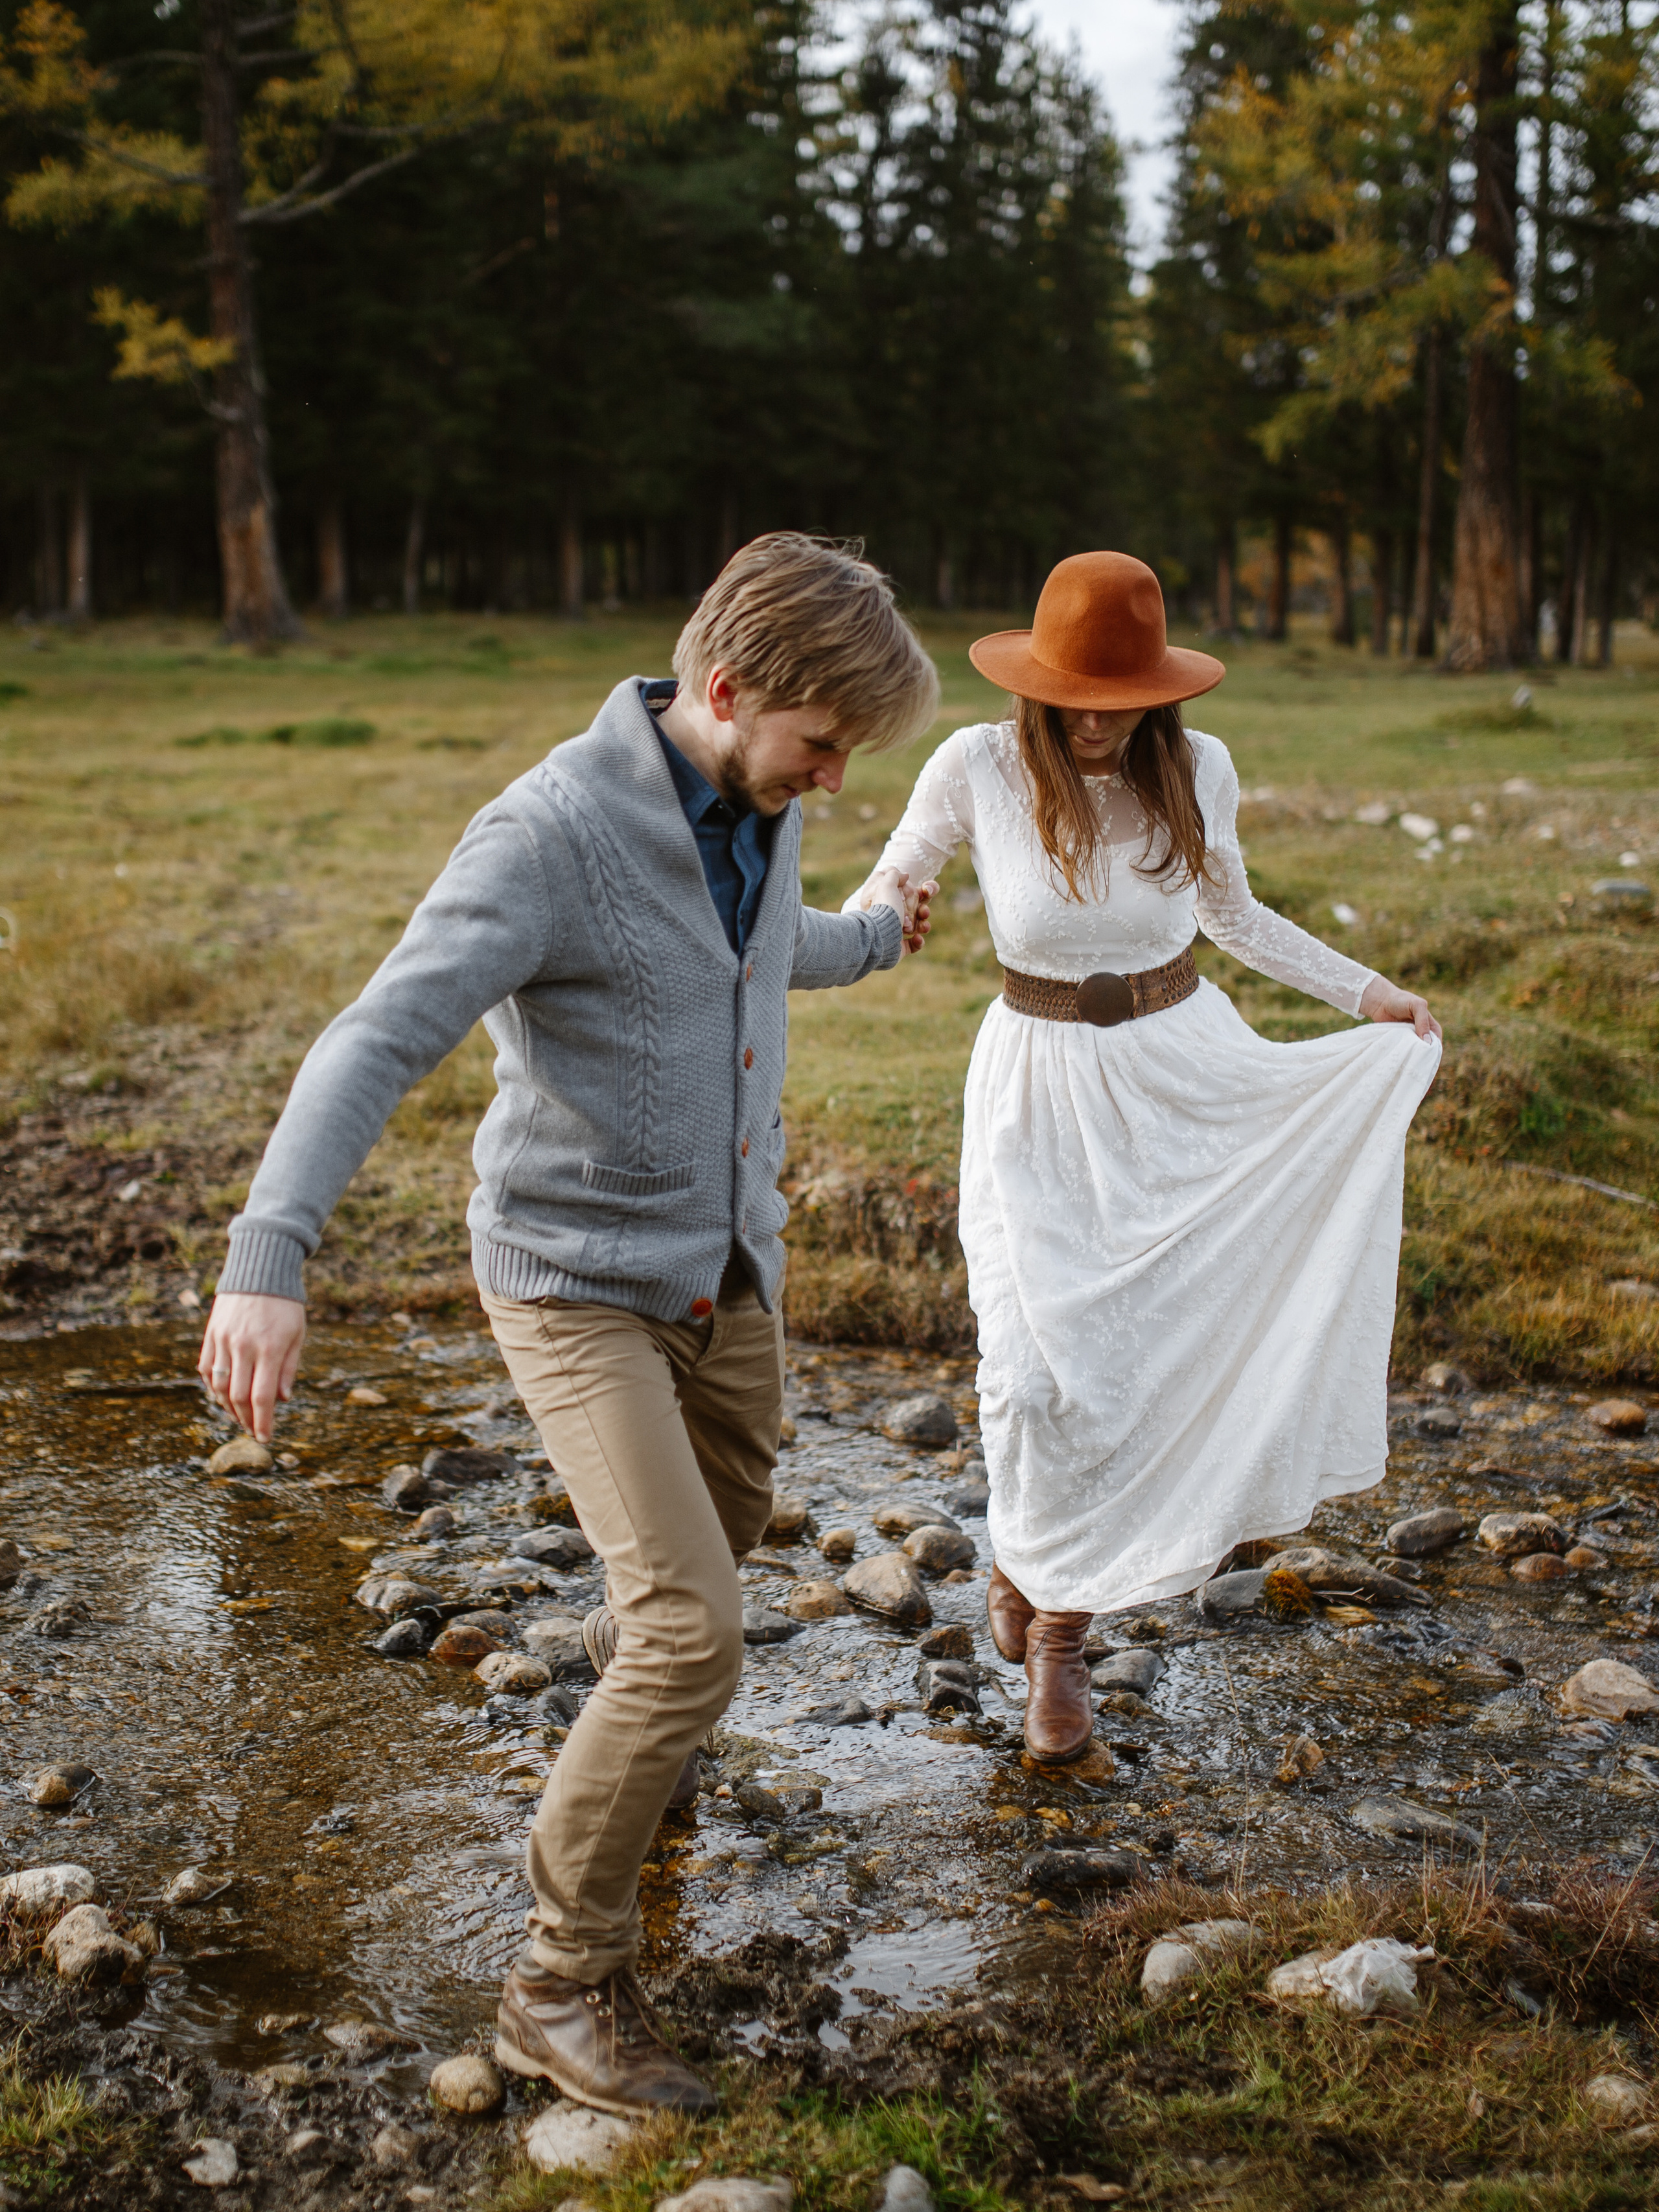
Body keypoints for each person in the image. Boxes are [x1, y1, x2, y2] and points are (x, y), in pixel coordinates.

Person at [196, 532, 940, 2116]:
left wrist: (878, 930)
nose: (830, 782)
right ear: (726, 689)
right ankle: (556, 1984)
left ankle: (630, 1731)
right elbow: (376, 1035)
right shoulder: (548, 834)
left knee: (698, 1581)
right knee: (691, 1630)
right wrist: (268, 1256)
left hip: (727, 1277)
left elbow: (757, 953)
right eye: (820, 747)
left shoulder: (756, 802)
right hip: (573, 1281)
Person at [845, 550, 1442, 1767]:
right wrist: (871, 920)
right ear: (1036, 683)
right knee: (1029, 1367)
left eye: (1121, 699)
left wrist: (1368, 992)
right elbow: (893, 877)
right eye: (1077, 696)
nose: (1098, 720)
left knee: (1136, 1361)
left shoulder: (1198, 766)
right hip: (1035, 1088)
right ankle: (1026, 1554)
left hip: (1180, 1075)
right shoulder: (977, 765)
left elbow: (1232, 915)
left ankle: (1061, 1639)